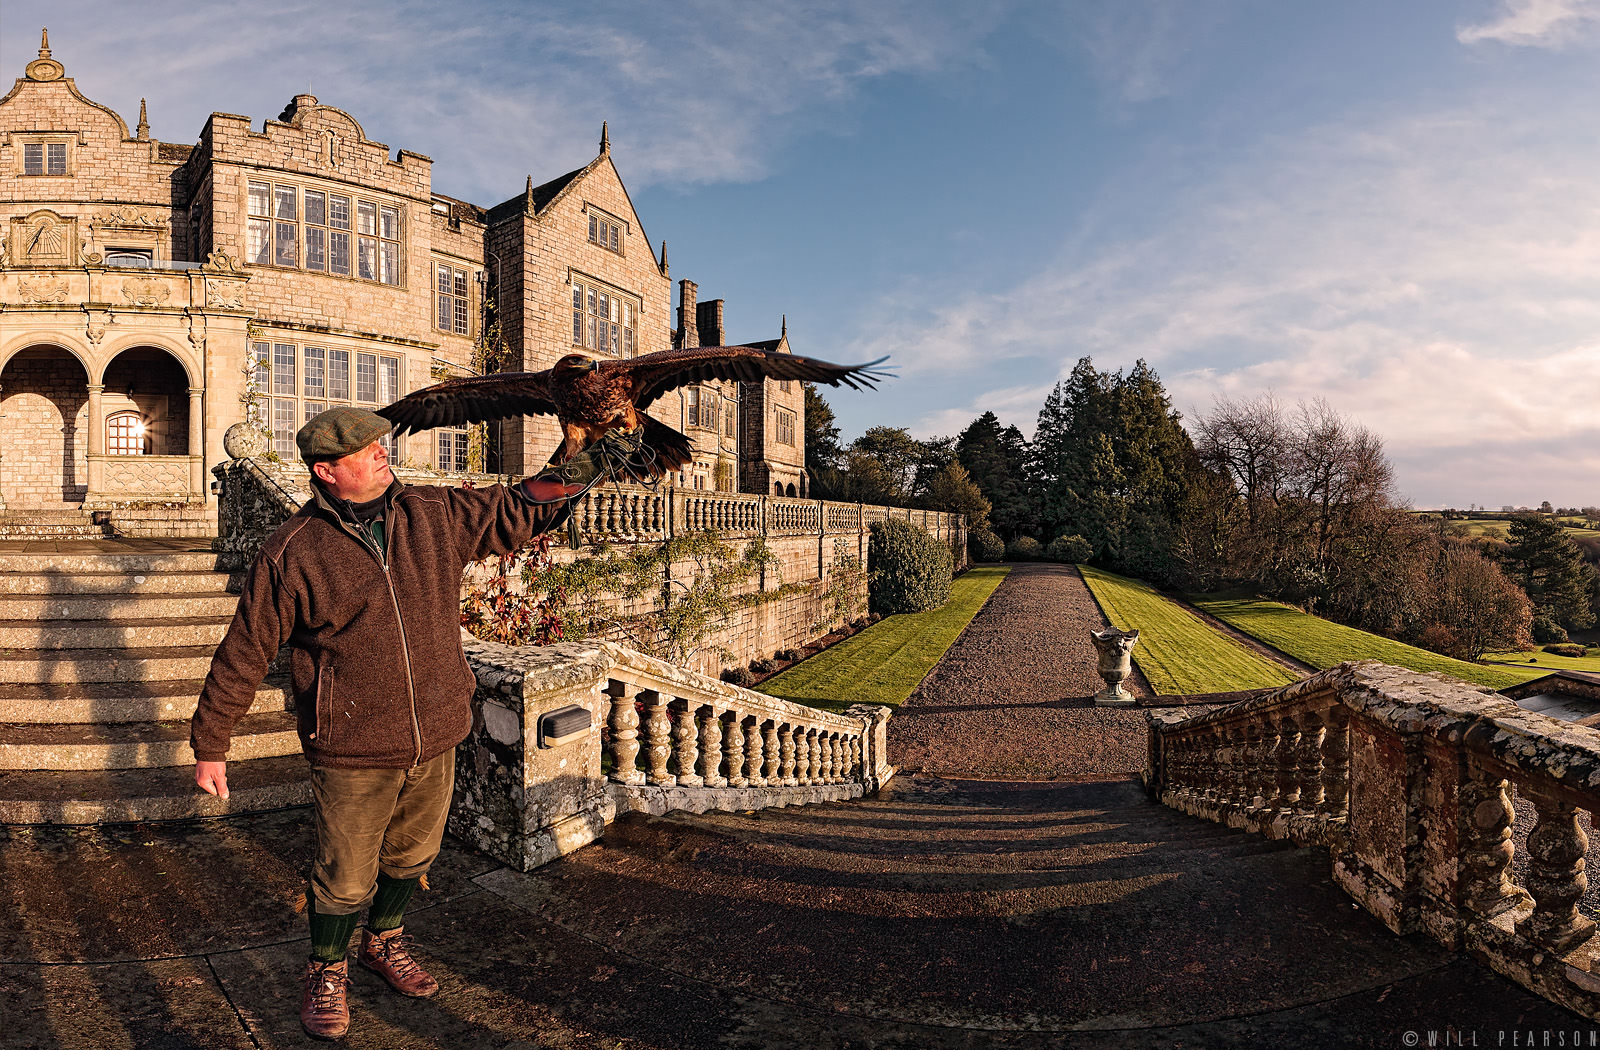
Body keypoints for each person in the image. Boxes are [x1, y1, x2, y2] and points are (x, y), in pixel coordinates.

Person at [190, 406, 610, 1040]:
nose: (383, 452)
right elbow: (247, 647)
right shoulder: (292, 552)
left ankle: (384, 942)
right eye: (366, 450)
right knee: (343, 874)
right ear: (325, 470)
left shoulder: (430, 513)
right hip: (352, 744)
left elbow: (520, 507)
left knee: (413, 855)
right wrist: (211, 743)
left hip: (438, 730)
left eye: (380, 443)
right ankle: (326, 969)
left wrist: (587, 466)